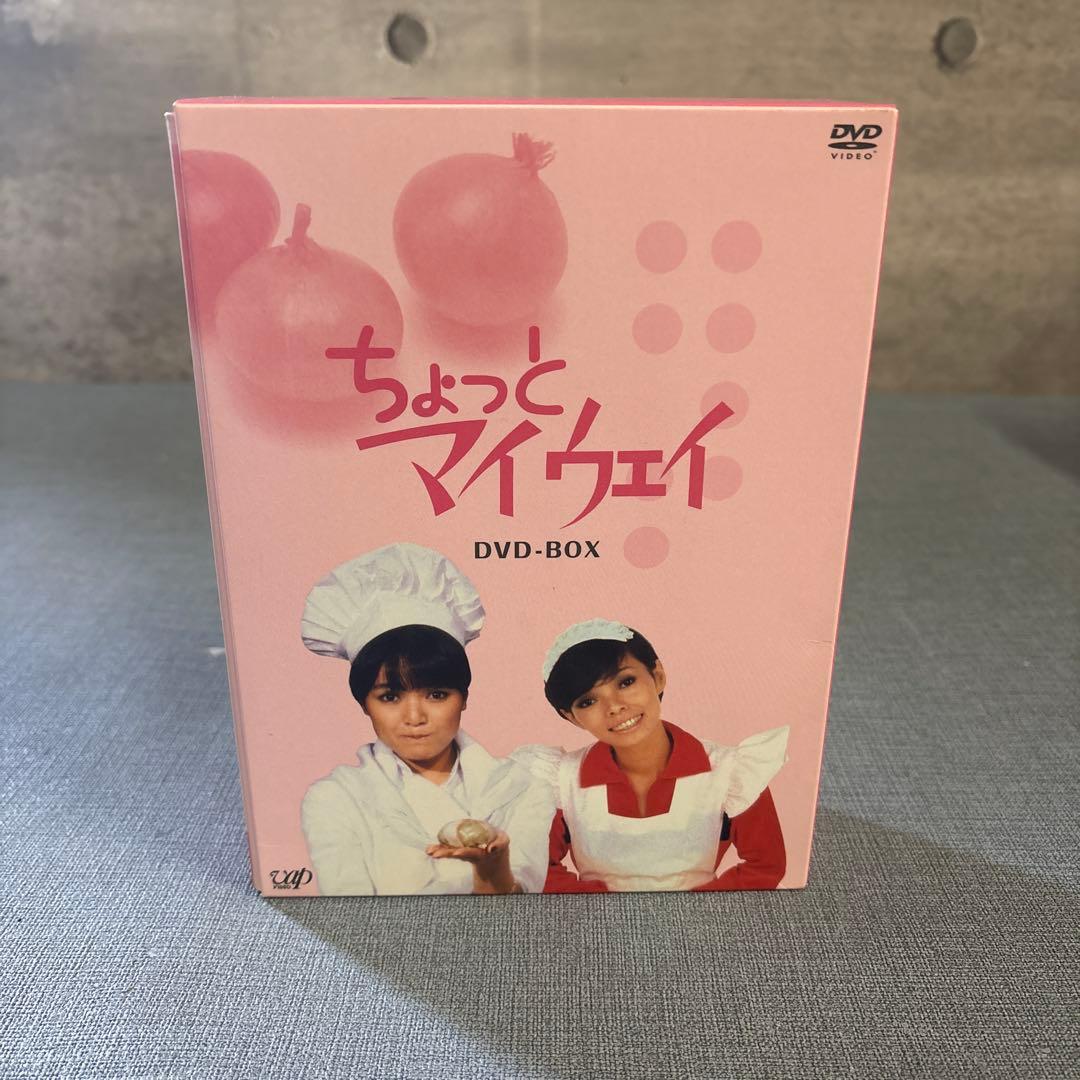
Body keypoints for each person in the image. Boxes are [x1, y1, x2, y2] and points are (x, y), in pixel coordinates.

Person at [299, 542, 553, 895]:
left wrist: (492, 872)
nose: (414, 717)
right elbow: (350, 911)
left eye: (436, 695)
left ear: (464, 697)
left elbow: (522, 910)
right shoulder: (336, 799)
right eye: (390, 697)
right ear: (363, 704)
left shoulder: (525, 788)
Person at [517, 618, 789, 893]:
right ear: (572, 717)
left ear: (658, 676)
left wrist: (695, 908)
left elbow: (765, 866)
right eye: (588, 701)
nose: (614, 707)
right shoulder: (560, 782)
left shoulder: (731, 772)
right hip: (597, 915)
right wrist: (604, 908)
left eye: (626, 682)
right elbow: (538, 869)